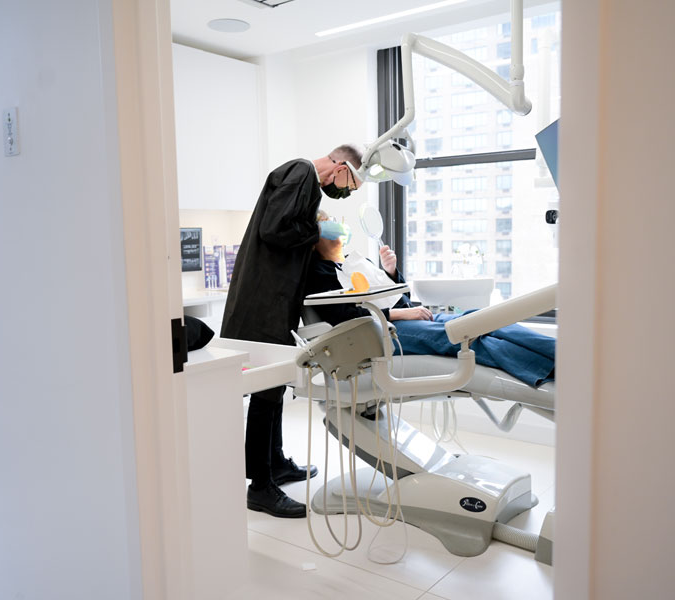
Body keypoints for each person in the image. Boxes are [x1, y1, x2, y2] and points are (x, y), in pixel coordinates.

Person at [221, 144, 364, 519]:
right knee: (265, 391)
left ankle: (276, 463)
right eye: (350, 185)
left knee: (275, 387)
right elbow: (274, 230)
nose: (345, 193)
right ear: (341, 167)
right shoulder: (302, 173)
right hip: (263, 302)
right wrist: (317, 229)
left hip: (273, 300)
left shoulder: (305, 182)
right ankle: (260, 486)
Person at [305, 223, 555, 388]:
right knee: (466, 339)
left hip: (410, 316)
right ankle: (550, 371)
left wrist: (390, 271)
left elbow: (395, 295)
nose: (335, 227)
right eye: (326, 223)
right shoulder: (318, 273)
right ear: (315, 239)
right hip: (384, 331)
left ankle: (561, 352)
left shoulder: (355, 261)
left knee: (482, 319)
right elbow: (344, 316)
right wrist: (402, 314)